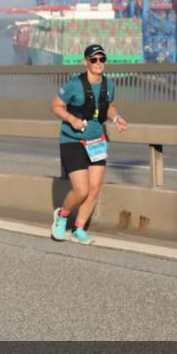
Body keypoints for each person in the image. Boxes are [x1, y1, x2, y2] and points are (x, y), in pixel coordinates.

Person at [49, 43, 129, 245]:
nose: (98, 63)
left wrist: (116, 118)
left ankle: (78, 230)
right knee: (81, 190)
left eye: (102, 59)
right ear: (86, 62)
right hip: (72, 141)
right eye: (94, 59)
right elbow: (56, 105)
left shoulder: (109, 85)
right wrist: (71, 119)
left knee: (94, 190)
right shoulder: (74, 84)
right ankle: (63, 215)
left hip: (96, 141)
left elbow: (109, 106)